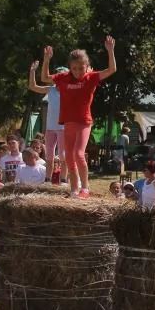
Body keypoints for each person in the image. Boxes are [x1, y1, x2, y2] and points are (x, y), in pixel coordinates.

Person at [41, 37, 117, 199]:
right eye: (74, 68)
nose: (77, 72)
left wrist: (110, 50)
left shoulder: (91, 78)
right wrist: (46, 59)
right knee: (68, 156)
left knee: (78, 153)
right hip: (68, 122)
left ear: (86, 66)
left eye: (81, 68)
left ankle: (86, 188)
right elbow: (44, 78)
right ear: (70, 67)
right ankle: (74, 189)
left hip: (83, 122)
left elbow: (111, 70)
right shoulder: (63, 77)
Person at [27, 62, 67, 170]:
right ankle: (48, 178)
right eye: (57, 75)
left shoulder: (69, 90)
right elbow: (32, 86)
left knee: (63, 155)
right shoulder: (51, 89)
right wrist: (32, 71)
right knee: (49, 155)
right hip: (50, 127)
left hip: (63, 127)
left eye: (62, 75)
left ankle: (63, 179)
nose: (59, 78)